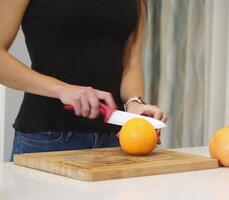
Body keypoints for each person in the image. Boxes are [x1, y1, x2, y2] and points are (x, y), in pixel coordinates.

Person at [0, 0, 167, 160]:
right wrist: (61, 89)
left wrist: (134, 103)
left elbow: (131, 61)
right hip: (46, 139)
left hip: (114, 141)